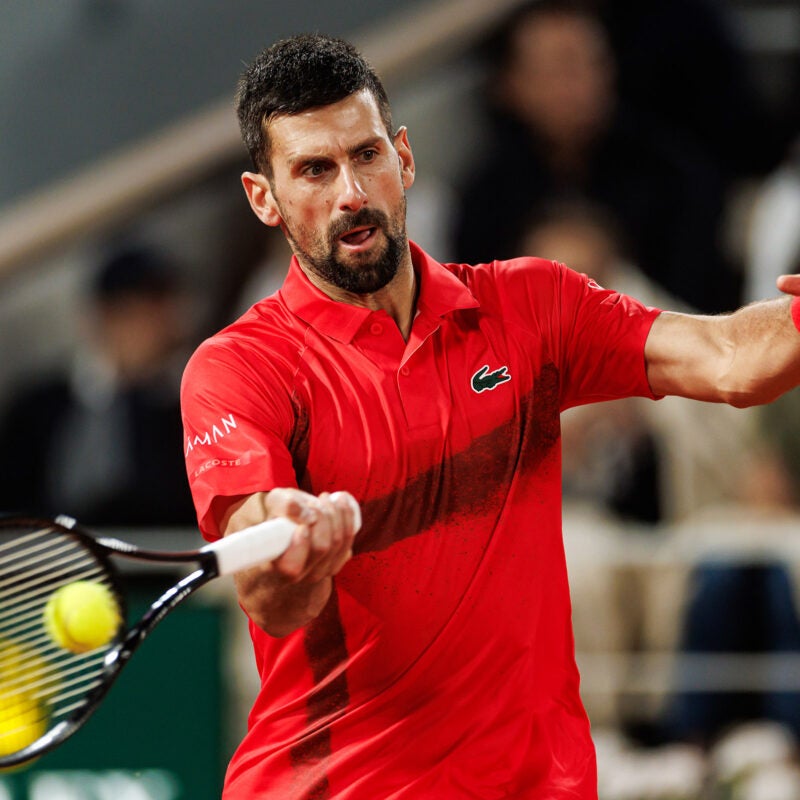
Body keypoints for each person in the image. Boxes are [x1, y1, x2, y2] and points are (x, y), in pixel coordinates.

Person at [179, 34, 800, 800]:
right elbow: (269, 595)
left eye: (367, 155)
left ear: (404, 158)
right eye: (315, 169)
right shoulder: (239, 369)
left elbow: (729, 358)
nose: (352, 193)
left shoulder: (532, 305)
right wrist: (299, 543)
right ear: (263, 197)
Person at [453, 0, 738, 314]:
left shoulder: (674, 172)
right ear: (511, 85)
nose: (582, 84)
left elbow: (699, 295)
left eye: (594, 63)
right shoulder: (486, 199)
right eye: (561, 69)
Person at [0, 244, 196, 526]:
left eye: (159, 312)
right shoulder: (39, 407)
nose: (149, 328)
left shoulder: (182, 408)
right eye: (131, 313)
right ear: (101, 318)